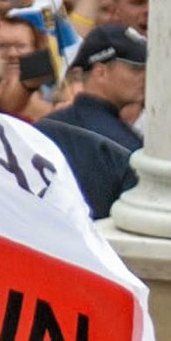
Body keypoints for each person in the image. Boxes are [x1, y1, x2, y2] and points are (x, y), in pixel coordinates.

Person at [41, 23, 147, 219]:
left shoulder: (41, 129)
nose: (145, 77)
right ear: (100, 72)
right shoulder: (128, 149)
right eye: (135, 68)